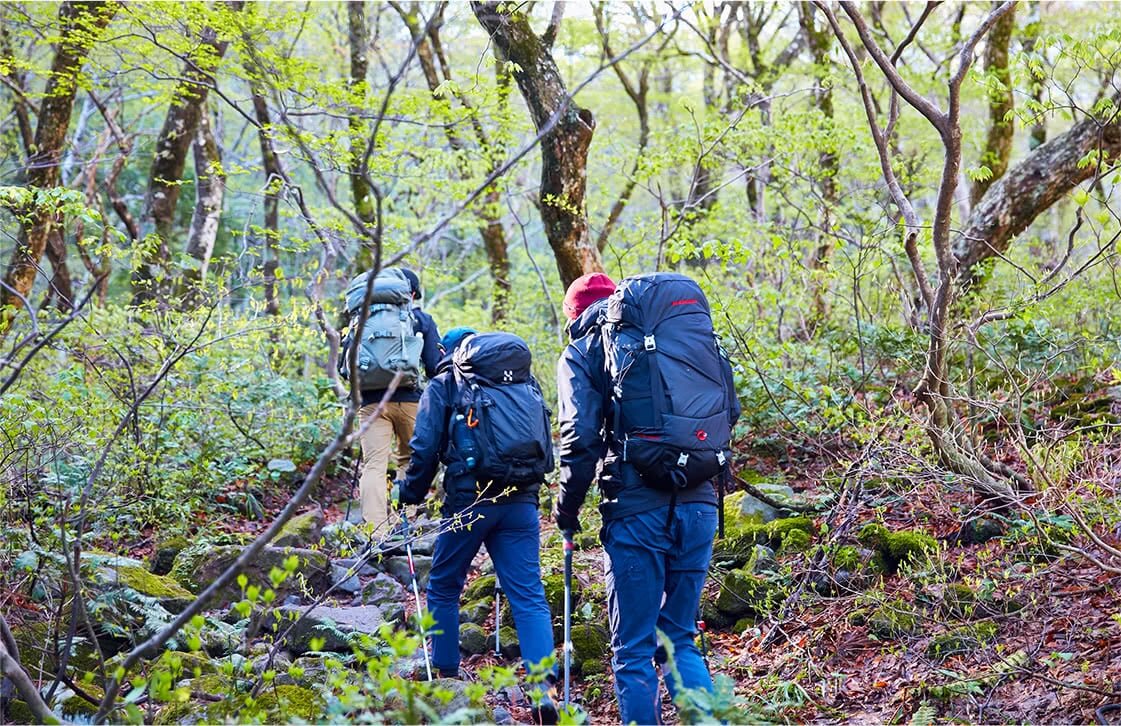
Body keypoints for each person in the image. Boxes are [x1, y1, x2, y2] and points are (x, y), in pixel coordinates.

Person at [554, 272, 740, 724]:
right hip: (699, 500)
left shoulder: (583, 351)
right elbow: (729, 411)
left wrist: (567, 508)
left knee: (634, 648)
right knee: (679, 636)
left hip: (637, 508)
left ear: (574, 315)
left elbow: (579, 440)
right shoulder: (680, 337)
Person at [397, 331, 558, 724]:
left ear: (450, 353)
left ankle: (447, 675)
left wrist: (410, 493)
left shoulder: (446, 383)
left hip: (469, 502)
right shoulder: (523, 381)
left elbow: (425, 447)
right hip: (521, 500)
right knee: (529, 595)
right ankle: (543, 689)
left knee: (445, 585)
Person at [356, 267, 440, 539]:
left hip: (371, 403)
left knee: (374, 465)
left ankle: (376, 531)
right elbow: (435, 365)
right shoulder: (421, 320)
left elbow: (346, 365)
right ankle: (406, 520)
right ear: (411, 294)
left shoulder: (362, 318)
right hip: (410, 400)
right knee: (412, 459)